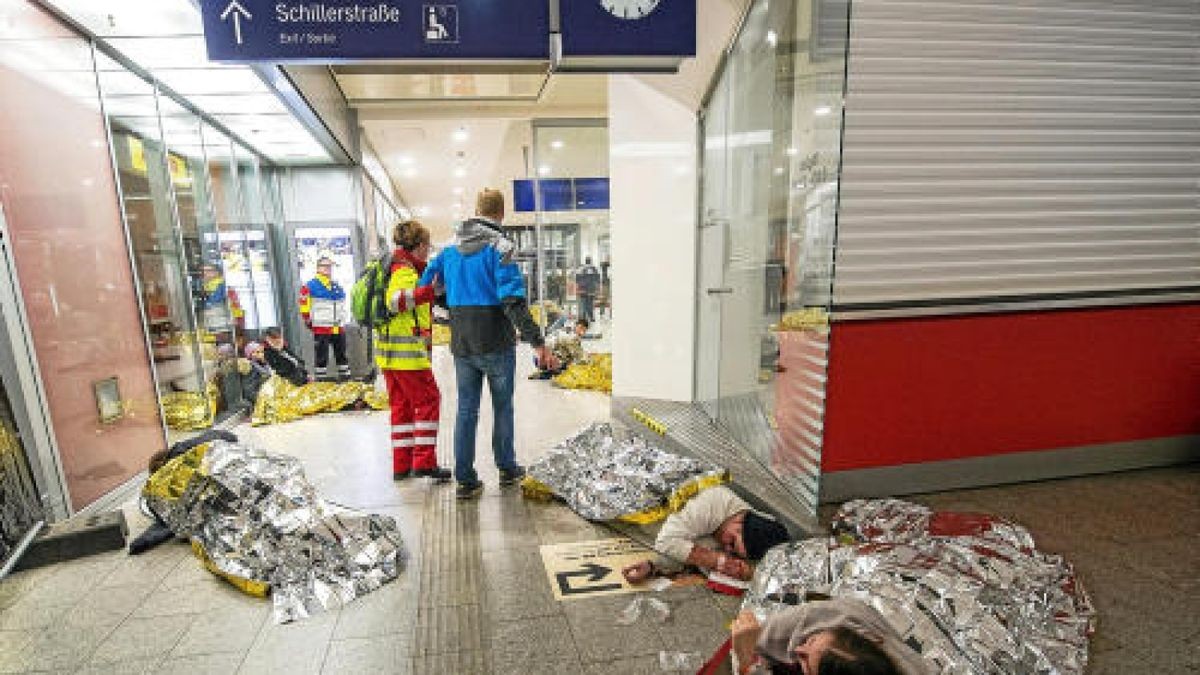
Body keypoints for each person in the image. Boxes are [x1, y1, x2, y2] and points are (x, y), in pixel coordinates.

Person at [419, 188, 560, 500]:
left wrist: (448, 306)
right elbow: (513, 301)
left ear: (477, 210)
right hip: (496, 341)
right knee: (502, 407)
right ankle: (507, 467)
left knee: (466, 410)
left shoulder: (448, 250)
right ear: (501, 213)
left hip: (462, 343)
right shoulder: (501, 247)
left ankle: (466, 479)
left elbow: (425, 285)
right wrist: (537, 342)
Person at [377, 220, 451, 483]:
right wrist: (428, 291)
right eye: (426, 246)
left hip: (388, 354)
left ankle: (402, 465)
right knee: (429, 400)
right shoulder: (404, 270)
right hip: (406, 354)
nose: (428, 251)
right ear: (419, 246)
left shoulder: (390, 265)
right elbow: (395, 302)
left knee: (402, 408)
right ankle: (424, 461)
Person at [621, 485, 789, 583]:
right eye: (731, 542)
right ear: (739, 521)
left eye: (734, 551)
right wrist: (720, 562)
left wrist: (652, 566)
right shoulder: (710, 505)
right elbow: (667, 543)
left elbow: (687, 551)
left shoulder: (744, 527)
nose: (727, 548)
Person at [730, 597, 932, 675]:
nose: (797, 649)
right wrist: (748, 642)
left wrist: (746, 662)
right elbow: (756, 634)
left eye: (806, 661)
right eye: (811, 640)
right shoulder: (838, 616)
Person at [299, 256, 350, 382]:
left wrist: (344, 320)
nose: (328, 269)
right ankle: (320, 382)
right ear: (317, 268)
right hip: (321, 327)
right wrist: (308, 321)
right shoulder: (310, 286)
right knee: (322, 356)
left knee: (342, 354)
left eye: (329, 266)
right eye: (324, 266)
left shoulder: (336, 285)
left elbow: (342, 305)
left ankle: (346, 380)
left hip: (338, 326)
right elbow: (304, 305)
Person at [575, 256, 601, 323]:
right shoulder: (593, 268)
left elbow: (577, 279)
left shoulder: (581, 269)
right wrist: (597, 288)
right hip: (590, 290)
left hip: (583, 290)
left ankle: (585, 317)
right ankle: (590, 317)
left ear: (585, 261)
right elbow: (597, 279)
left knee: (584, 304)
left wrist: (579, 287)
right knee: (589, 304)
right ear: (590, 261)